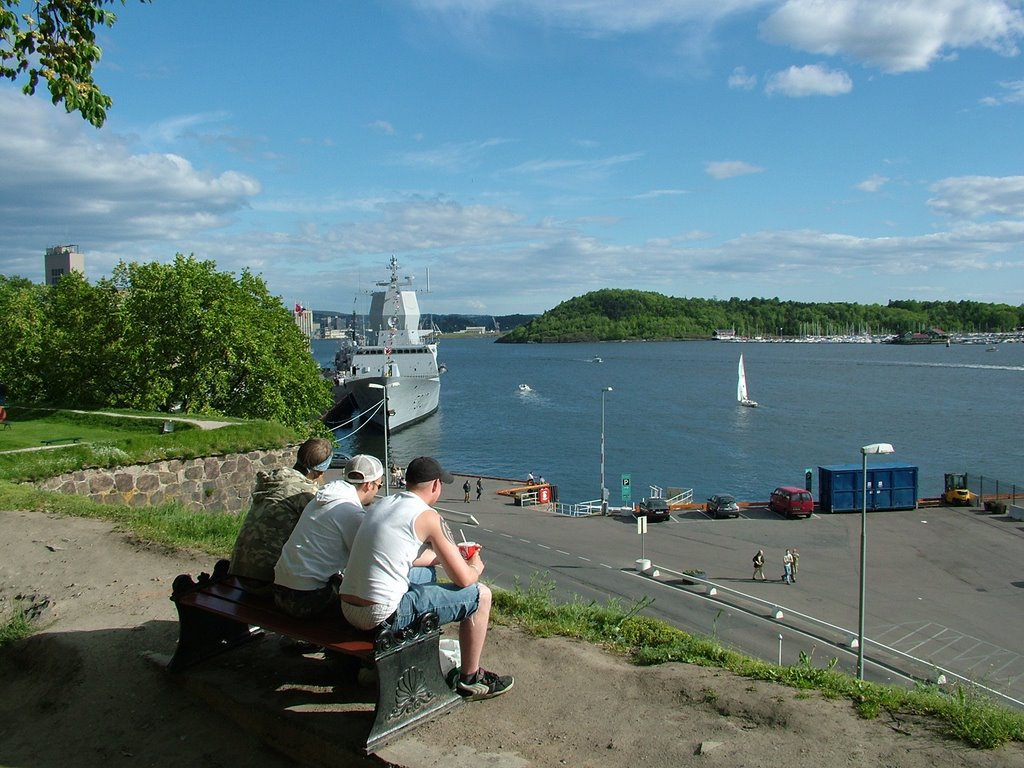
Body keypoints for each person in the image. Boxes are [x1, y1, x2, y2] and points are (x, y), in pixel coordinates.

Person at [341, 456, 514, 701]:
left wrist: (443, 558)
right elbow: (465, 580)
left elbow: (404, 557)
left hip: (348, 608)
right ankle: (470, 679)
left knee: (425, 573)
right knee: (482, 595)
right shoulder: (428, 516)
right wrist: (474, 565)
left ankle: (386, 659)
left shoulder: (383, 503)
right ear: (435, 485)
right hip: (380, 616)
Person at [272, 455, 384, 619]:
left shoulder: (322, 497)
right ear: (368, 485)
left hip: (279, 590)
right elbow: (364, 560)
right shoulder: (351, 512)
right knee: (364, 598)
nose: (377, 492)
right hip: (306, 599)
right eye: (379, 486)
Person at [229, 437, 332, 595]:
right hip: (267, 580)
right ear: (321, 470)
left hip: (239, 570)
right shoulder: (306, 493)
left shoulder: (271, 480)